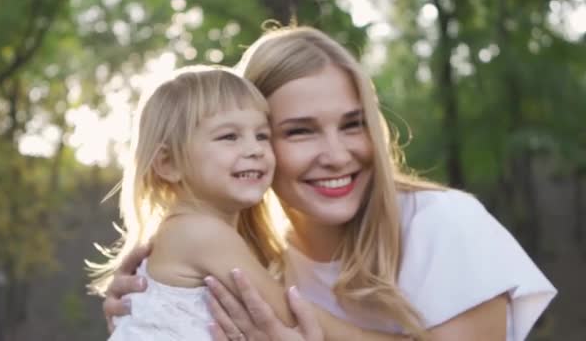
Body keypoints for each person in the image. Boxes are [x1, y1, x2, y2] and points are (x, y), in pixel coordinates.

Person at [99, 27, 557, 341]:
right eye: (299, 130)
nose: (338, 155)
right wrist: (153, 309)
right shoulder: (254, 257)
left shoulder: (444, 226)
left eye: (353, 124)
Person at [95, 64, 415, 341]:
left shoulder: (189, 231)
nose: (255, 149)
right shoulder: (200, 233)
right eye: (229, 137)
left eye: (262, 136)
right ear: (168, 164)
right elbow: (287, 312)